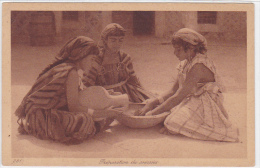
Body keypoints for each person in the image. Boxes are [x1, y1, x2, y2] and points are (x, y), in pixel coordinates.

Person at [15, 36, 123, 144]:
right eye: (91, 59)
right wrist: (102, 113)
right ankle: (97, 125)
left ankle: (99, 123)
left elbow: (77, 95)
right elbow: (74, 107)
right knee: (85, 120)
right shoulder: (71, 72)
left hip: (38, 112)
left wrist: (105, 95)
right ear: (82, 55)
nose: (92, 64)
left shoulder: (67, 67)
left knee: (100, 114)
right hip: (40, 116)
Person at [137, 28, 239, 142]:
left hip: (207, 102)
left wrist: (152, 114)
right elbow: (173, 91)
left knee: (171, 122)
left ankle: (182, 127)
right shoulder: (186, 63)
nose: (175, 53)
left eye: (178, 50)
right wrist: (153, 102)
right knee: (163, 109)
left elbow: (179, 95)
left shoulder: (198, 65)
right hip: (194, 98)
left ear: (190, 48)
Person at [95, 23, 155, 103]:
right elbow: (88, 83)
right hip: (104, 94)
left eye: (120, 40)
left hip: (125, 93)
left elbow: (133, 79)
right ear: (105, 40)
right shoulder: (97, 59)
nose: (117, 44)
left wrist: (143, 92)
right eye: (113, 40)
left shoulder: (124, 57)